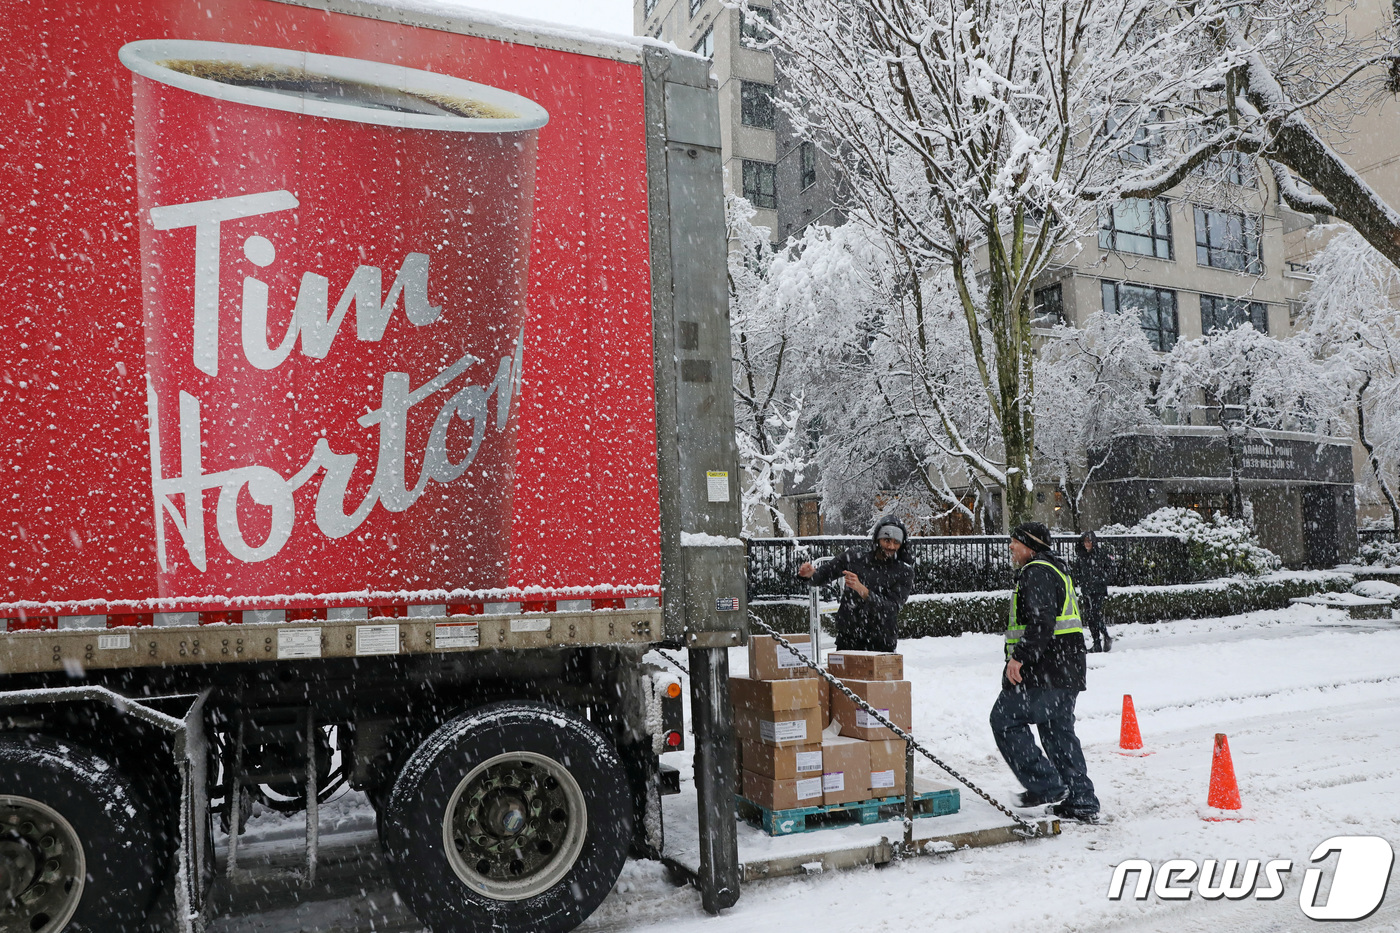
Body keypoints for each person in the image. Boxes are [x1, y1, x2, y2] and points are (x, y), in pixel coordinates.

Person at [990, 521, 1100, 823]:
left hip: (1046, 670)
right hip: (1065, 669)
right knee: (1057, 733)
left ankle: (1047, 785)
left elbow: (1042, 622)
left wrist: (1019, 659)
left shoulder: (1037, 572)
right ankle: (1081, 799)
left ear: (1030, 545)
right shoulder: (1056, 569)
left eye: (1015, 542)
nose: (1011, 547)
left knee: (1004, 719)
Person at [797, 517, 914, 652]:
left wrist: (863, 590)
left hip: (881, 640)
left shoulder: (904, 571)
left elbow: (891, 607)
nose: (891, 546)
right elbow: (826, 573)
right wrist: (810, 575)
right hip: (848, 635)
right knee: (841, 674)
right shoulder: (855, 557)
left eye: (896, 542)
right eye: (887, 540)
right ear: (877, 539)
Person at [1071, 530, 1113, 652]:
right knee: (1090, 616)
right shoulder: (1082, 556)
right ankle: (1097, 642)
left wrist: (1101, 580)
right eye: (1085, 541)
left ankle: (1105, 635)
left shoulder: (1102, 554)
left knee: (1095, 614)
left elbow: (1110, 570)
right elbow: (1077, 572)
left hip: (1098, 590)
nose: (1087, 544)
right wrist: (1080, 581)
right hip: (1087, 590)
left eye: (1089, 541)